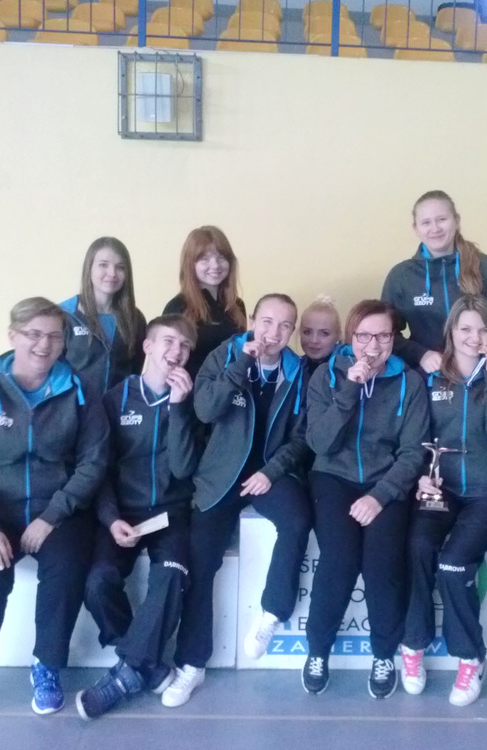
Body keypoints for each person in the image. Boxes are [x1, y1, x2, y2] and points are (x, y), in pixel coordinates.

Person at [0, 298, 107, 718]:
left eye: (54, 336)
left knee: (67, 569)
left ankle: (47, 666)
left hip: (57, 512)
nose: (44, 344)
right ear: (13, 336)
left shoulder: (80, 391)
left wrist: (52, 516)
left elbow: (94, 461)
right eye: (33, 334)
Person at [161, 294, 312, 707]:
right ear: (253, 321)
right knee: (200, 563)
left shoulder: (297, 371)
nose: (273, 333)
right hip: (221, 476)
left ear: (292, 331)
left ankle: (273, 611)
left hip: (269, 474)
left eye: (284, 325)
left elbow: (302, 437)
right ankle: (192, 664)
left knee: (297, 520)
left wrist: (271, 472)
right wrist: (241, 364)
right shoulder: (226, 355)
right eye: (267, 322)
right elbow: (205, 410)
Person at [303, 300, 430, 699]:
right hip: (333, 478)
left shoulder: (410, 382)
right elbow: (319, 443)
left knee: (382, 565)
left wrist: (380, 496)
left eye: (383, 336)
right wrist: (349, 390)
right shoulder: (326, 376)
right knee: (338, 560)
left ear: (394, 338)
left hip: (386, 483)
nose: (373, 346)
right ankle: (317, 651)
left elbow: (412, 453)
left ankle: (383, 655)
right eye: (364, 336)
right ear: (350, 337)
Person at [399, 296, 487, 707]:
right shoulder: (431, 377)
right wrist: (421, 477)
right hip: (442, 488)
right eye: (465, 329)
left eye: (483, 329)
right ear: (450, 332)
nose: (474, 337)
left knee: (453, 564)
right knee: (418, 546)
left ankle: (471, 657)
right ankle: (413, 643)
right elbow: (416, 436)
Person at [75, 315, 199, 719]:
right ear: (147, 346)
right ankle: (148, 666)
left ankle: (126, 676)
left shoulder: (192, 400)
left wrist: (180, 409)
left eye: (185, 345)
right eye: (169, 341)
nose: (176, 351)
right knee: (97, 582)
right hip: (123, 512)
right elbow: (99, 469)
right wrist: (111, 518)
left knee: (172, 575)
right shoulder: (115, 399)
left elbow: (183, 468)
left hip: (171, 512)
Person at [381, 189, 487, 392]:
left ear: (456, 221)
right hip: (428, 379)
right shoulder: (401, 276)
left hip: (481, 377)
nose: (435, 228)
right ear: (416, 228)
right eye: (426, 222)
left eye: (442, 219)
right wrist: (421, 354)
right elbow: (386, 334)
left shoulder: (485, 267)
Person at [61, 237, 147, 396]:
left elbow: (135, 372)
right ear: (89, 268)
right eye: (103, 265)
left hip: (116, 409)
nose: (112, 273)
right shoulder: (64, 315)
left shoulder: (135, 319)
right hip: (74, 409)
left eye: (120, 267)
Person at [162, 226, 247, 379]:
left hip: (231, 389)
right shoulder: (177, 307)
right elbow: (167, 363)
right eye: (205, 259)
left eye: (221, 257)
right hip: (192, 390)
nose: (215, 265)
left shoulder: (237, 306)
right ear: (190, 264)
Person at [299, 294, 342, 377]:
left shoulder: (346, 370)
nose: (314, 340)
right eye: (307, 332)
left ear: (338, 335)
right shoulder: (294, 368)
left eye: (324, 333)